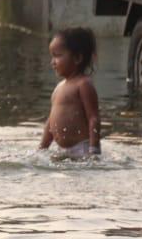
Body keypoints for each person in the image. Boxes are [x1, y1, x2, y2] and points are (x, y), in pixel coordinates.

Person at [41, 27, 102, 157]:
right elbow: (51, 122)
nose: (53, 62)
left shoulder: (83, 84)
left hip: (82, 149)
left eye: (57, 56)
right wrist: (42, 148)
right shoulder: (59, 87)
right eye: (52, 56)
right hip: (62, 151)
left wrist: (94, 149)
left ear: (77, 58)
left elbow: (93, 118)